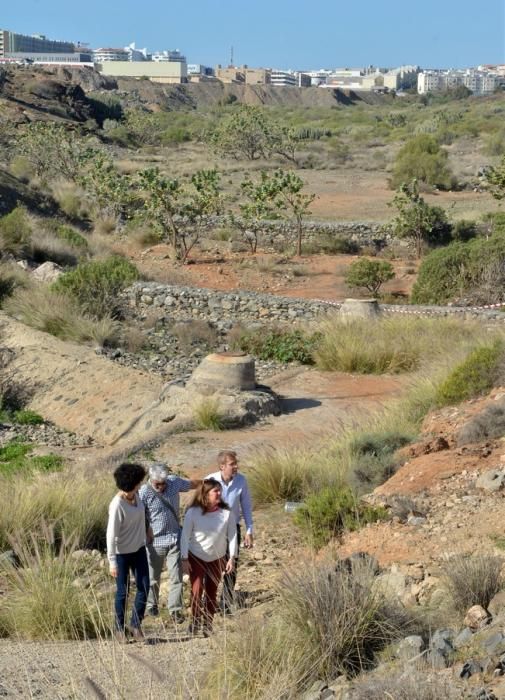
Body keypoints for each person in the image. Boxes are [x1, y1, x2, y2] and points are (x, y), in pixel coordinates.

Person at [139, 462, 200, 623]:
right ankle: (152, 605)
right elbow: (139, 514)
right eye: (157, 484)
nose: (161, 487)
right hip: (154, 541)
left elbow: (192, 484)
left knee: (176, 577)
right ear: (151, 480)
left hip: (175, 538)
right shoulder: (144, 492)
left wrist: (211, 482)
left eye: (163, 483)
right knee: (153, 577)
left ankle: (175, 610)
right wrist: (146, 530)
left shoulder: (174, 482)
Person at [180, 478, 237, 636]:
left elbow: (233, 536)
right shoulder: (193, 512)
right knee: (197, 590)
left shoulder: (227, 513)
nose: (219, 493)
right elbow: (185, 536)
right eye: (215, 491)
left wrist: (232, 557)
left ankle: (208, 624)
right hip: (196, 556)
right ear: (205, 494)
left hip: (217, 557)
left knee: (212, 591)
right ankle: (195, 620)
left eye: (220, 490)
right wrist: (184, 559)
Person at [106, 462, 150, 642]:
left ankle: (135, 625)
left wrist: (148, 530)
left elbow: (142, 515)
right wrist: (112, 562)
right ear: (132, 483)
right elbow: (111, 534)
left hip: (139, 549)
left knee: (144, 587)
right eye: (139, 481)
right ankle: (118, 628)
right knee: (122, 592)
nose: (141, 484)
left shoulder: (136, 497)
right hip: (121, 553)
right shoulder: (117, 505)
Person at [206, 450, 253, 612]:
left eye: (236, 463)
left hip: (233, 530)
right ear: (222, 466)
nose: (236, 466)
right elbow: (201, 507)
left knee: (232, 566)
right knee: (213, 566)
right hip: (213, 531)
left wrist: (249, 530)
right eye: (232, 464)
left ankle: (225, 603)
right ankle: (209, 603)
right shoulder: (209, 480)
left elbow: (246, 506)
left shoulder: (241, 481)